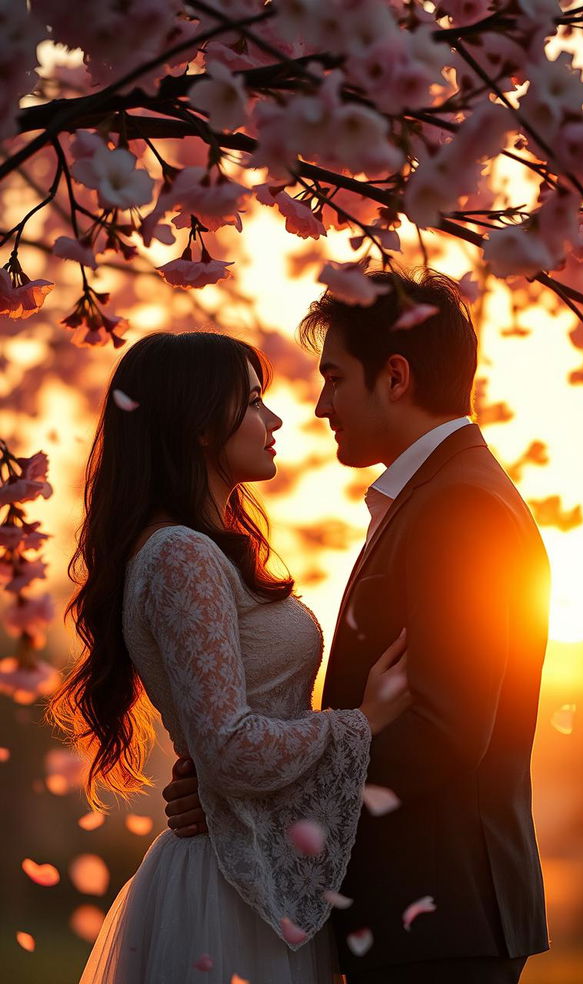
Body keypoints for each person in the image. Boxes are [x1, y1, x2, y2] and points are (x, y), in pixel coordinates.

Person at [165, 269, 551, 984]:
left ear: (396, 376)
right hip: (421, 914)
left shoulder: (459, 506)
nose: (318, 405)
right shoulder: (437, 496)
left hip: (440, 917)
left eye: (335, 378)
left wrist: (254, 790)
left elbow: (444, 730)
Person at [49, 330, 412, 984]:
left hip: (250, 865)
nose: (274, 420)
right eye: (251, 402)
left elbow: (220, 749)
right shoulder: (181, 555)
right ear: (196, 425)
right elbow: (231, 747)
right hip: (227, 895)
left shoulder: (198, 549)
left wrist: (214, 782)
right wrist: (364, 722)